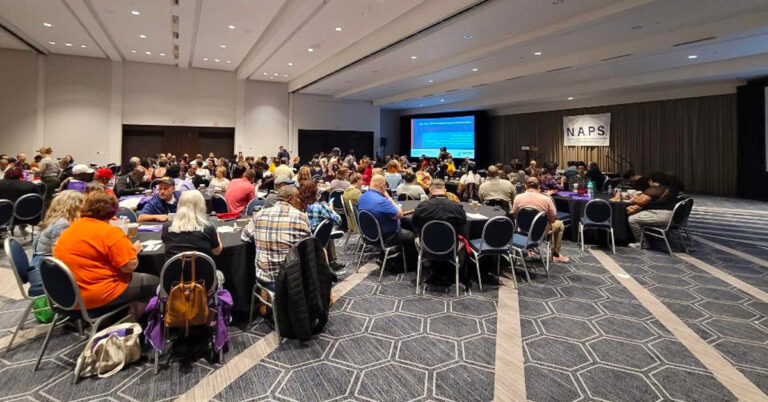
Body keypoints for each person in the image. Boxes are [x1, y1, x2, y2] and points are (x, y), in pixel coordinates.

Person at [53, 191, 158, 316]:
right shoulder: (110, 232)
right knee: (153, 282)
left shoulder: (71, 229)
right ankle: (134, 320)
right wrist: (133, 251)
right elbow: (129, 267)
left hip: (66, 294)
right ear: (113, 211)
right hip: (94, 295)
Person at [240, 185, 310, 286]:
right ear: (290, 199)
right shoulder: (301, 217)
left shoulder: (259, 214)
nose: (299, 201)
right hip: (291, 282)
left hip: (264, 279)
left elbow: (244, 236)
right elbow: (310, 247)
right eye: (297, 198)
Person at [27, 191, 84, 296]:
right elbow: (59, 255)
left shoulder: (52, 220)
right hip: (44, 274)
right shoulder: (62, 224)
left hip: (40, 267)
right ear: (74, 206)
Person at [358, 175, 416, 267]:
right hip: (387, 236)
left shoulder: (363, 197)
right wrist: (389, 197)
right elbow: (400, 214)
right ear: (382, 186)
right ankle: (403, 264)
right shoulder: (382, 201)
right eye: (385, 186)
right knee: (412, 236)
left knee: (405, 223)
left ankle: (387, 254)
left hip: (369, 234)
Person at [512, 177, 569, 263]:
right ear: (539, 187)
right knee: (560, 224)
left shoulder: (518, 197)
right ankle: (555, 254)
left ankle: (530, 250)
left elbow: (515, 215)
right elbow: (553, 219)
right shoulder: (547, 199)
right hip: (540, 232)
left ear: (525, 186)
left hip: (522, 230)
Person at [161, 190, 222, 260]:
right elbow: (217, 251)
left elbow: (166, 244)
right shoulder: (208, 227)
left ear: (180, 204)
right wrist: (217, 235)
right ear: (201, 205)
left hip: (173, 270)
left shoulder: (166, 226)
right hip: (202, 270)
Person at [298, 180, 346, 271]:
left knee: (324, 227)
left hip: (300, 239)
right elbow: (338, 221)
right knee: (326, 227)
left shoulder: (297, 205)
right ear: (315, 192)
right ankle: (331, 262)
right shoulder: (319, 207)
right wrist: (331, 209)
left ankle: (331, 262)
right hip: (315, 239)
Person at [627, 172, 679, 248]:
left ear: (652, 180)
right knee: (639, 212)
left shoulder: (656, 189)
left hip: (662, 215)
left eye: (649, 181)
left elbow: (640, 201)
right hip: (674, 216)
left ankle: (642, 242)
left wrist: (632, 199)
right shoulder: (668, 188)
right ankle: (650, 237)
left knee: (632, 219)